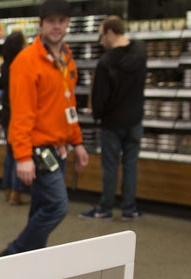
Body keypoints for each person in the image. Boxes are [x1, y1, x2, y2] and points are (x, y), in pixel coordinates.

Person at [0, 0, 88, 256]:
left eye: (61, 21)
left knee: (40, 208)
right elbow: (22, 114)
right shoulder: (26, 62)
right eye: (51, 21)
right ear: (41, 24)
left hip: (59, 149)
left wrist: (78, 142)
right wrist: (23, 156)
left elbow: (68, 106)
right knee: (57, 207)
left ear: (68, 23)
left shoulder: (66, 60)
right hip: (39, 151)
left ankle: (29, 263)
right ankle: (13, 255)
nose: (56, 26)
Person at [81, 15, 146, 221]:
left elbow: (100, 97)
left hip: (112, 122)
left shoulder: (106, 62)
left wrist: (96, 113)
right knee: (130, 165)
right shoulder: (140, 52)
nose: (101, 42)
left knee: (110, 166)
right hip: (135, 119)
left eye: (101, 36)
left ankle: (105, 208)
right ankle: (129, 208)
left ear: (110, 32)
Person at [0, 31, 27, 206]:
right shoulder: (20, 66)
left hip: (5, 115)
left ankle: (7, 189)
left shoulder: (4, 66)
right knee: (18, 155)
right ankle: (16, 192)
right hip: (17, 115)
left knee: (9, 154)